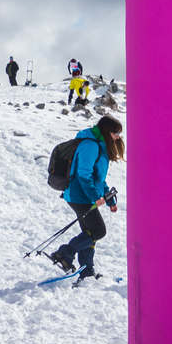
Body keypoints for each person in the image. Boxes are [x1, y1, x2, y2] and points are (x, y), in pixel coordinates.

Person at [49, 115, 123, 282]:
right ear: (107, 131)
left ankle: (86, 270)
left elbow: (98, 178)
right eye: (116, 132)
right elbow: (83, 175)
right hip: (78, 195)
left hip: (84, 196)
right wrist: (95, 196)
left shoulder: (99, 146)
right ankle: (64, 253)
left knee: (90, 233)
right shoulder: (90, 146)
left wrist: (109, 199)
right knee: (98, 231)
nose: (118, 136)